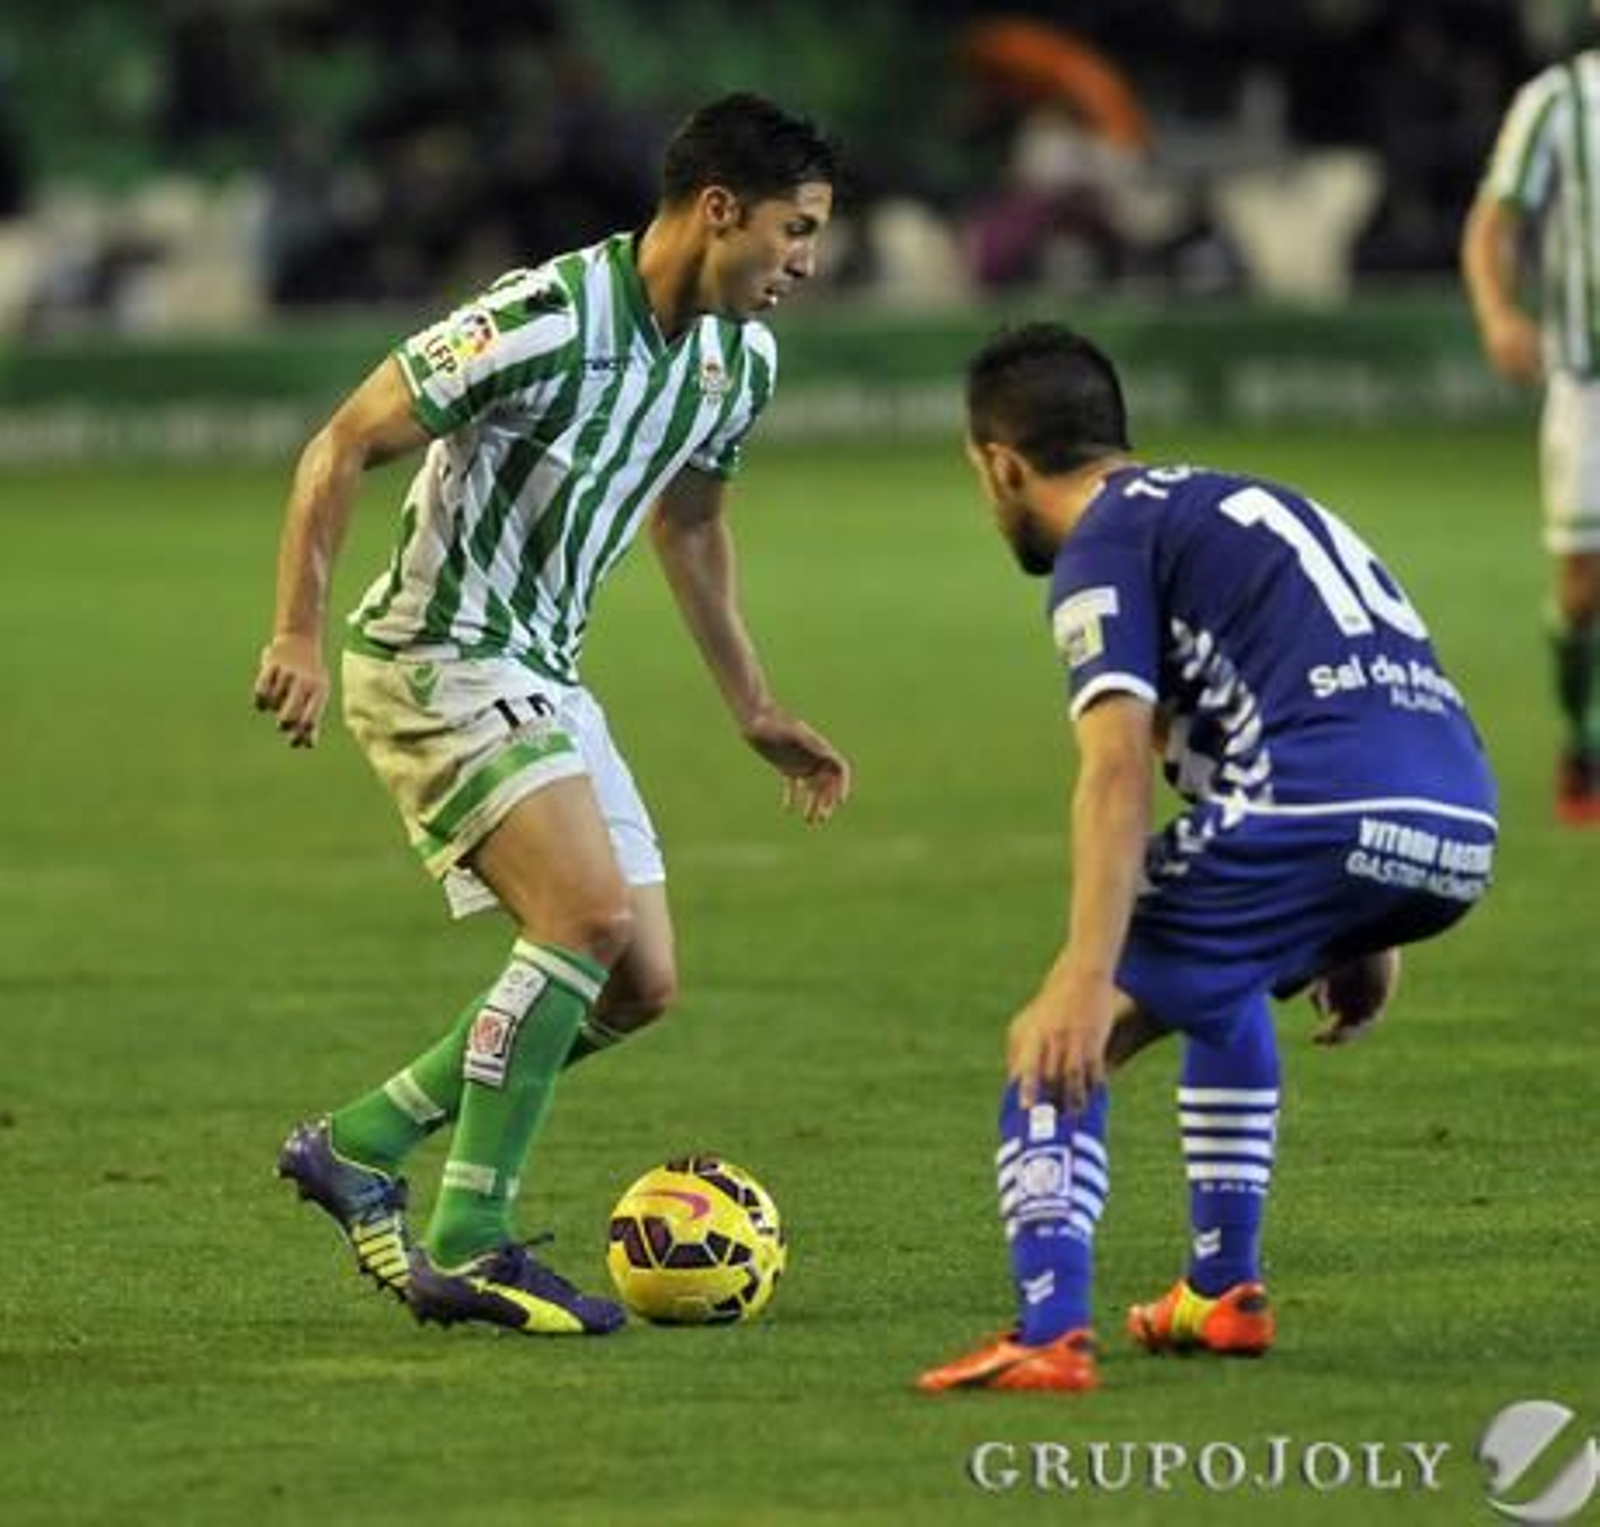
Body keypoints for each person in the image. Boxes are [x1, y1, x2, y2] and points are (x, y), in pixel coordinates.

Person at [254, 93, 851, 1337]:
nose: (806, 262)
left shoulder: (741, 360)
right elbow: (342, 440)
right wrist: (296, 633)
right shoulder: (542, 319)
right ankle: (469, 1239)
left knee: (639, 981)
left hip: (542, 671)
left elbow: (689, 524)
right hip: (434, 653)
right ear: (717, 210)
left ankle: (361, 1144)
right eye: (793, 231)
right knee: (583, 914)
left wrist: (752, 704)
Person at [917, 324, 1496, 1392]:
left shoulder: (1101, 543)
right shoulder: (1238, 505)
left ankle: (1047, 1330)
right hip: (1458, 823)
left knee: (1052, 1047)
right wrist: (1356, 923)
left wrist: (1082, 978)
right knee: (1215, 983)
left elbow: (1113, 773)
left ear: (999, 465)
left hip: (1314, 811)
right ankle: (1219, 1292)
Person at [1462, 27, 1600, 823]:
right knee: (1583, 590)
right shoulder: (1557, 101)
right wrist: (1498, 311)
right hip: (1587, 381)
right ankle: (1582, 734)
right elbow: (1493, 221)